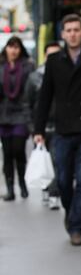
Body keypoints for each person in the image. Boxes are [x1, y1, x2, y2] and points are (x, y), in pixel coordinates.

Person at [34, 14, 81, 246]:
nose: (73, 34)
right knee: (64, 180)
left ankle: (76, 227)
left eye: (77, 29)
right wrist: (39, 129)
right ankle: (70, 210)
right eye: (69, 30)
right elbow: (45, 97)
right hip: (63, 129)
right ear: (63, 34)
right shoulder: (54, 61)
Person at [25, 40, 61, 210]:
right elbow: (29, 103)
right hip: (41, 126)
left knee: (56, 161)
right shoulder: (34, 77)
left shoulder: (66, 75)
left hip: (61, 125)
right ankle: (46, 188)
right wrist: (33, 127)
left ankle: (54, 193)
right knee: (44, 159)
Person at [0, 36, 34, 201]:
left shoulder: (28, 67)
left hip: (22, 113)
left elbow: (32, 90)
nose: (13, 50)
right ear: (6, 49)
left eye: (16, 47)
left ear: (20, 50)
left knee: (18, 150)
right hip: (3, 115)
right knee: (6, 154)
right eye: (10, 47)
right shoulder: (1, 67)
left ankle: (22, 182)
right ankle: (10, 188)